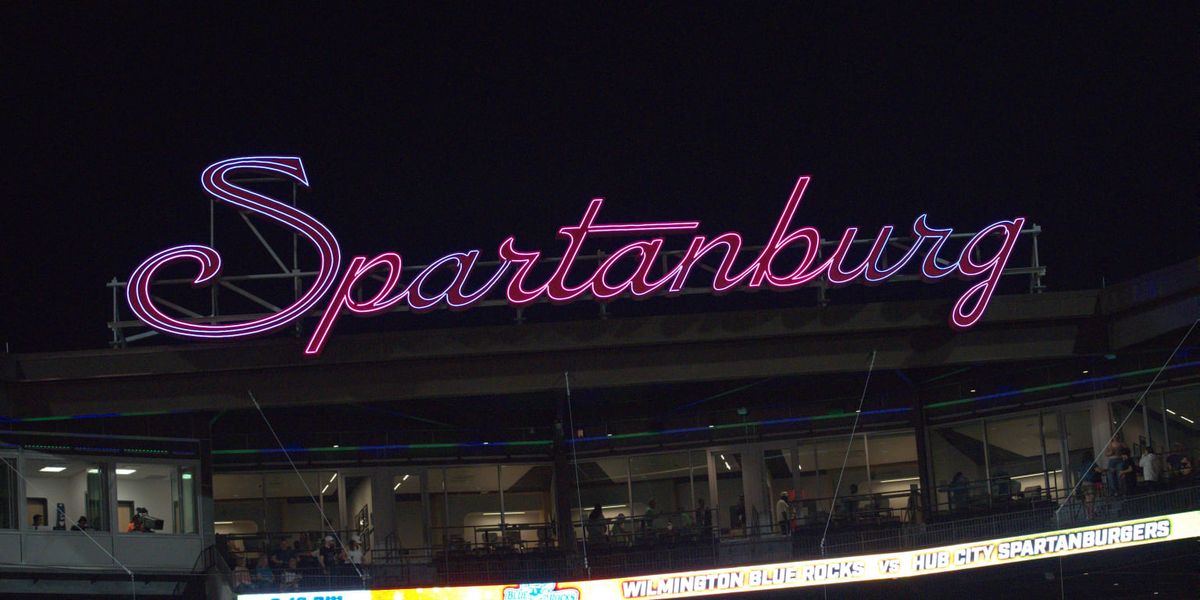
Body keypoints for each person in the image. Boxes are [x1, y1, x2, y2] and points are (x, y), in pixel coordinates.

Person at [1078, 453, 1103, 518]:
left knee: (1087, 499)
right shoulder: (1091, 463)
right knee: (1091, 499)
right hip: (1090, 483)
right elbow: (1099, 470)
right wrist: (1105, 470)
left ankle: (1088, 514)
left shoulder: (1082, 465)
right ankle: (1091, 514)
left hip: (1083, 484)